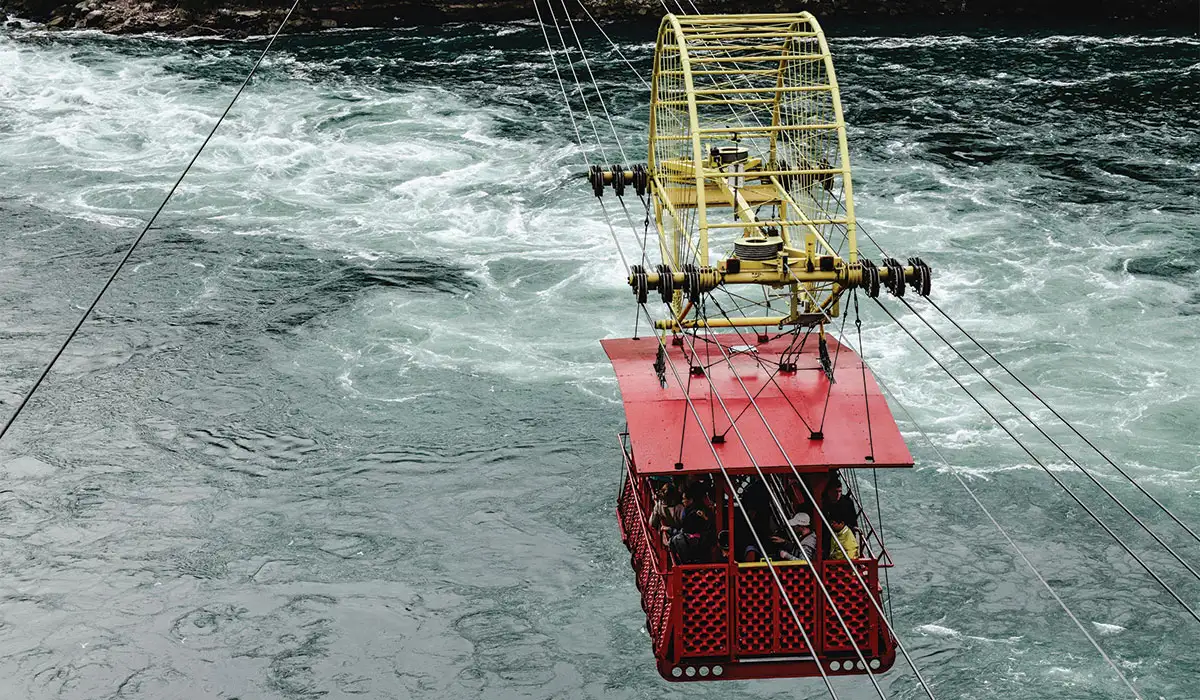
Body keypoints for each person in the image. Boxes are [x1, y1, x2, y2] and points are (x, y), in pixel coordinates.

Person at [668, 483, 715, 564]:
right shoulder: (690, 510)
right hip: (698, 540)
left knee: (675, 540)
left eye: (684, 499)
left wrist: (670, 530)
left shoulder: (693, 513)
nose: (683, 501)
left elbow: (687, 528)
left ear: (690, 500)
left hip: (695, 541)